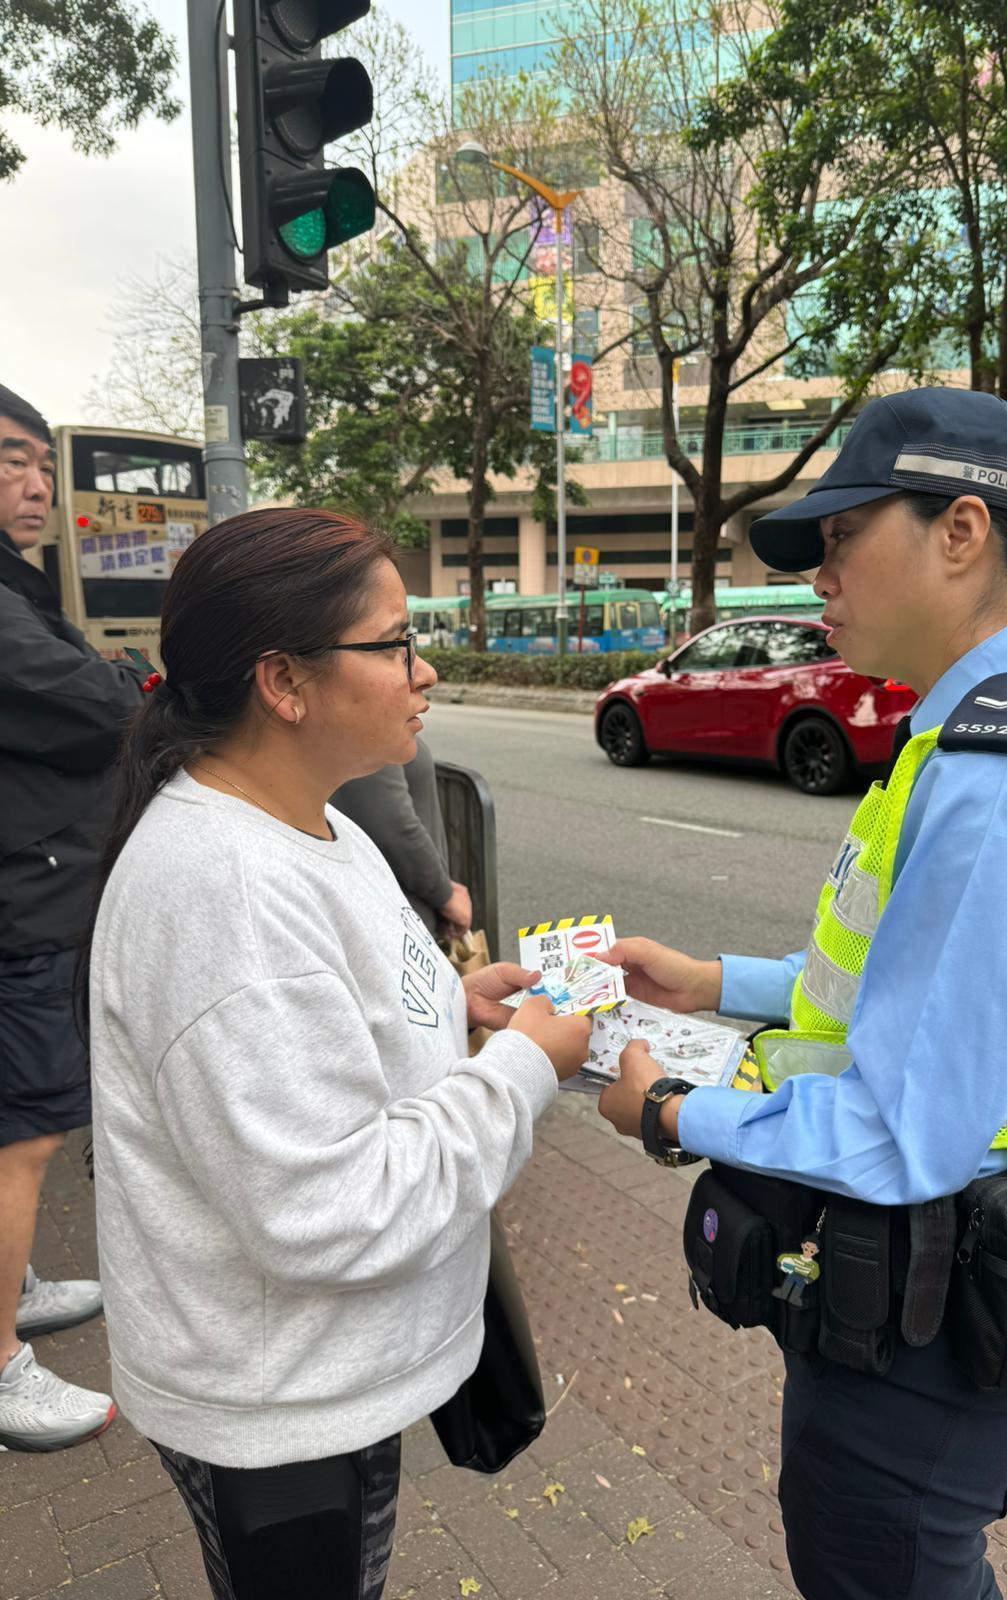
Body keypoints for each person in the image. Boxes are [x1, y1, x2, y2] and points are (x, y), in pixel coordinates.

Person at [593, 388, 1007, 1600]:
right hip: (941, 1292)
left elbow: (908, 1125)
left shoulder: (996, 773)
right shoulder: (987, 729)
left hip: (929, 1325)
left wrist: (672, 1110)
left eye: (844, 537)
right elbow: (903, 990)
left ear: (960, 532)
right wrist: (713, 979)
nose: (820, 578)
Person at [85, 507, 590, 1600]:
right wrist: (527, 1069)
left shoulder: (318, 822)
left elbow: (336, 1020)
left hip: (317, 1373)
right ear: (284, 680)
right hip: (277, 1414)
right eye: (396, 642)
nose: (426, 670)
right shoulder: (222, 893)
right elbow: (327, 1204)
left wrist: (459, 1011)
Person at [0, 383, 145, 1451]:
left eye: (43, 466)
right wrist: (126, 684)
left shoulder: (19, 590)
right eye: (11, 461)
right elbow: (103, 706)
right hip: (24, 904)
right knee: (25, 1135)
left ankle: (13, 1287)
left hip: (30, 887)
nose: (37, 486)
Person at [332, 741, 472, 938]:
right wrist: (445, 895)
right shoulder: (369, 729)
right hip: (400, 916)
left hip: (396, 909)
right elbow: (395, 827)